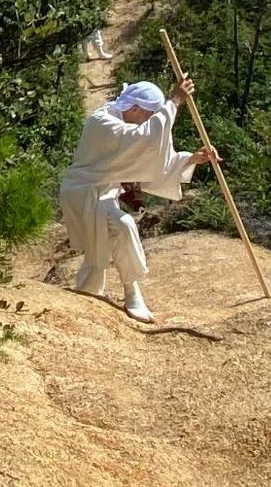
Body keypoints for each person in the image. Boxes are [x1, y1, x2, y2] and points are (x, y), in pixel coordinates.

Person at [58, 80, 199, 323]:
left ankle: (124, 292)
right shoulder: (101, 122)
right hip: (82, 193)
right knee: (119, 229)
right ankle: (120, 293)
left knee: (118, 230)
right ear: (134, 109)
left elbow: (154, 155)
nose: (146, 121)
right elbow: (143, 140)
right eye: (146, 115)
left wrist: (191, 159)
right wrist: (174, 102)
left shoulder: (124, 125)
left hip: (103, 192)